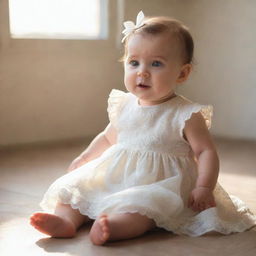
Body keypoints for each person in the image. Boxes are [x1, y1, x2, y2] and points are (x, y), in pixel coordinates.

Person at [30, 11, 256, 245]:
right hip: (117, 175)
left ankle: (113, 226)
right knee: (76, 189)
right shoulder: (125, 104)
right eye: (134, 62)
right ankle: (66, 220)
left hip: (158, 184)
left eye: (156, 63)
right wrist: (86, 156)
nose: (142, 72)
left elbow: (205, 152)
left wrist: (203, 186)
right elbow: (108, 138)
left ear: (182, 73)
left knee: (143, 207)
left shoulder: (185, 114)